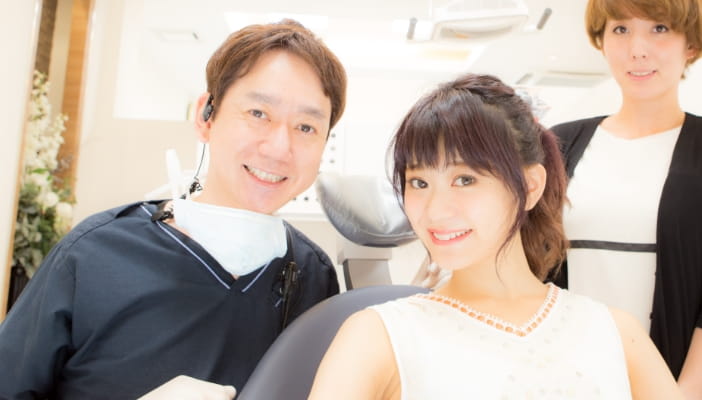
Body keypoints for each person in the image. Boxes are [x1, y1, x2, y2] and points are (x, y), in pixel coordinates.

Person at [0, 19, 346, 399]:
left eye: (306, 127)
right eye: (258, 113)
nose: (280, 148)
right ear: (206, 116)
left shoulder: (315, 277)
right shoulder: (93, 255)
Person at [307, 73, 682, 399]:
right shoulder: (377, 336)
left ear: (530, 186)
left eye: (464, 179)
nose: (435, 210)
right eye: (419, 182)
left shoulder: (615, 333)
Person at [548, 0, 702, 396]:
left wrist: (683, 393)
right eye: (621, 30)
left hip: (675, 382)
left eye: (659, 29)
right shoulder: (558, 144)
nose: (637, 49)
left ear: (691, 44)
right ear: (602, 41)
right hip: (569, 377)